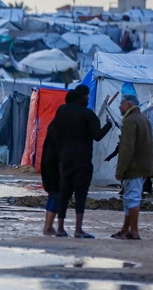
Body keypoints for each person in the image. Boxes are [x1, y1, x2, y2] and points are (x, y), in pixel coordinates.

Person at [49, 85, 113, 238]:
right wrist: (108, 125)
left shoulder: (62, 111)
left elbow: (54, 132)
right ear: (84, 96)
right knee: (80, 194)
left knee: (64, 194)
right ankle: (78, 229)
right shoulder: (88, 114)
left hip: (64, 160)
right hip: (82, 160)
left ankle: (60, 228)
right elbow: (97, 136)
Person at [112, 95, 153, 240]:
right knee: (129, 198)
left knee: (132, 198)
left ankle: (134, 231)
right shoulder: (144, 119)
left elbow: (126, 149)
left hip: (134, 166)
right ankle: (125, 229)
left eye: (122, 103)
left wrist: (120, 171)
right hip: (142, 165)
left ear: (129, 105)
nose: (119, 106)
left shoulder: (130, 121)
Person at [40, 91, 72, 235]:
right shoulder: (61, 128)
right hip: (56, 166)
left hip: (49, 165)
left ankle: (48, 225)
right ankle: (48, 226)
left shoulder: (54, 125)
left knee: (53, 195)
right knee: (57, 195)